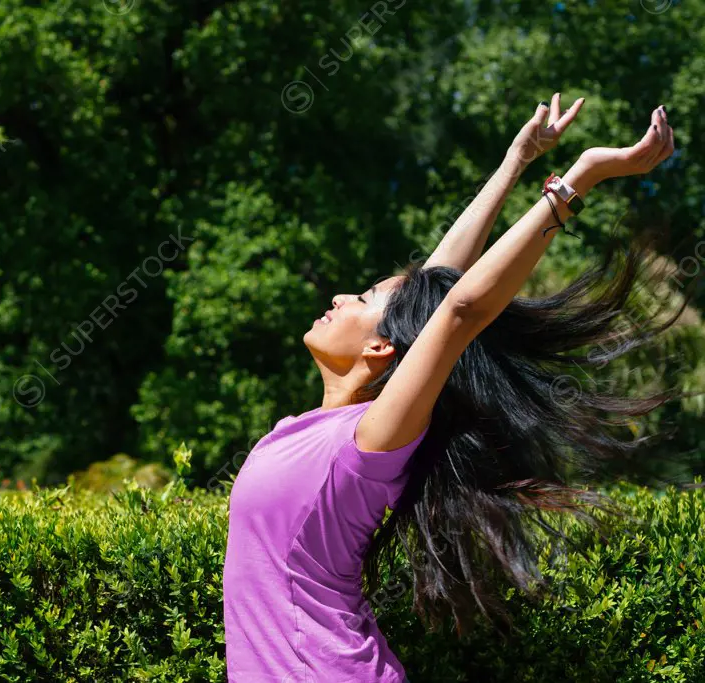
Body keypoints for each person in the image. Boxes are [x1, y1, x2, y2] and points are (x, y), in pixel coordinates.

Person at [223, 95, 680, 682]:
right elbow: (437, 287)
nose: (338, 297)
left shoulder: (366, 445)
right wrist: (517, 158)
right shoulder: (304, 430)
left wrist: (579, 178)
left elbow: (459, 310)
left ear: (381, 348)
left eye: (360, 300)